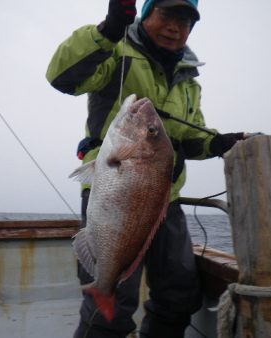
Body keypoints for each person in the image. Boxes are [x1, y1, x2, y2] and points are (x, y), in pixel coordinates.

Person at [46, 0, 245, 337]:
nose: (175, 27)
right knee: (112, 308)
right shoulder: (115, 49)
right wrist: (106, 31)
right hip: (112, 192)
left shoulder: (188, 78)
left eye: (186, 21)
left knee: (179, 294)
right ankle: (103, 295)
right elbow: (63, 77)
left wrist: (218, 142)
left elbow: (188, 135)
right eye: (167, 15)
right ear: (146, 12)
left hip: (167, 198)